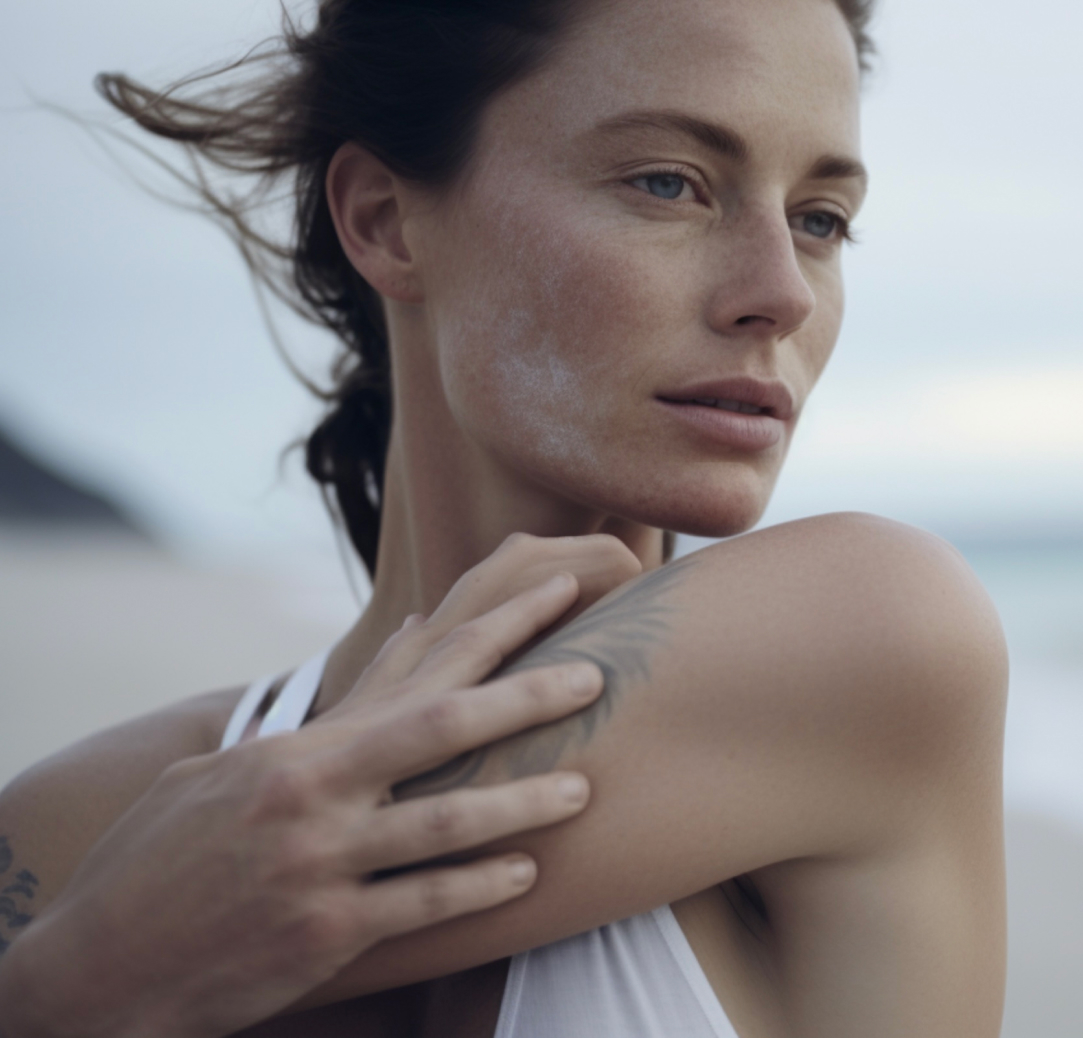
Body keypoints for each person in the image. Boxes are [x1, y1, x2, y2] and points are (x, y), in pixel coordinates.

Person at [0, 0, 1009, 1035]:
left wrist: (77, 976)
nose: (782, 292)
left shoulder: (872, 635)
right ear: (384, 221)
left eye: (820, 220)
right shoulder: (69, 815)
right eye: (668, 182)